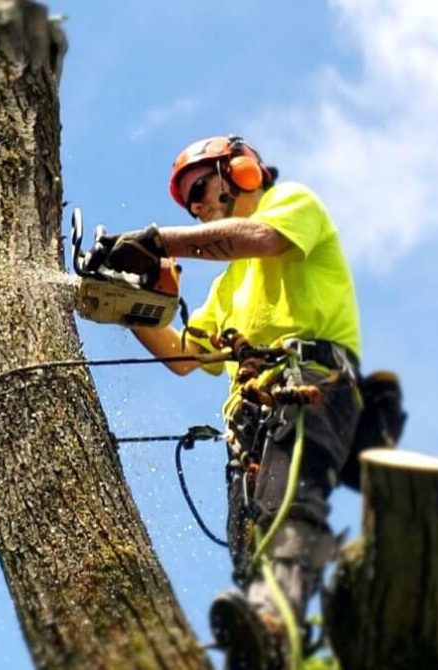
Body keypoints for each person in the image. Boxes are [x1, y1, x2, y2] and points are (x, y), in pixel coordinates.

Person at [92, 135, 362, 669]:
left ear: (241, 171)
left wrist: (156, 241)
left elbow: (257, 238)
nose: (198, 206)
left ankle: (274, 621)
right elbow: (184, 356)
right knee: (249, 541)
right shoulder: (227, 288)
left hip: (307, 381)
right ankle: (259, 648)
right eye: (190, 203)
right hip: (250, 419)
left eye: (202, 187)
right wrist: (131, 303)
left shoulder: (292, 206)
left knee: (289, 502)